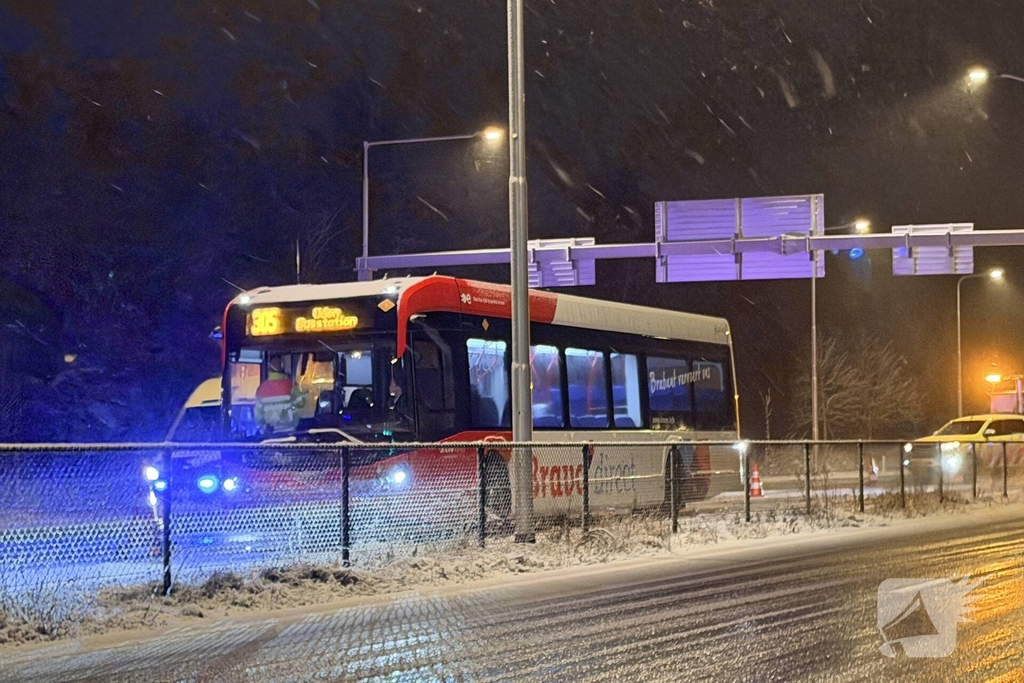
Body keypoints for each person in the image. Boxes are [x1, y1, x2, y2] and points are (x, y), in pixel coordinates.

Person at [254, 356, 306, 434]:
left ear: (268, 369)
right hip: (289, 431)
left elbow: (258, 415)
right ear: (282, 367)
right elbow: (301, 403)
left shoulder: (261, 389)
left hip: (270, 433)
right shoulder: (290, 385)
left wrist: (263, 426)